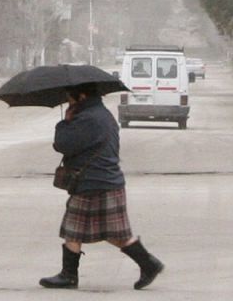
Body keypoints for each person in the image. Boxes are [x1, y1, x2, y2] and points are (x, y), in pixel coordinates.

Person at [39, 82, 164, 290]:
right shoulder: (100, 114)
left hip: (94, 182)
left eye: (70, 97)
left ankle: (69, 276)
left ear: (82, 96)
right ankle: (148, 264)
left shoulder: (87, 119)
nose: (68, 101)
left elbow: (62, 144)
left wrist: (64, 123)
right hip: (103, 180)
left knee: (82, 229)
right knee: (96, 231)